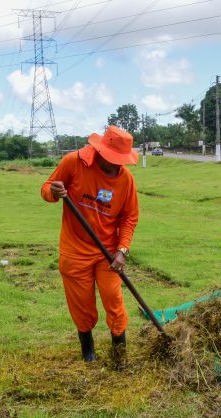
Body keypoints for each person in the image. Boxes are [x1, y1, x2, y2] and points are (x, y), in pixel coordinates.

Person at [40, 126, 139, 369]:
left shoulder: (126, 179)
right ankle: (88, 352)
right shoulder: (73, 163)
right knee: (82, 306)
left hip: (107, 253)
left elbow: (129, 218)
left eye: (121, 161)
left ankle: (120, 355)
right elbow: (46, 189)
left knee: (114, 301)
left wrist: (122, 250)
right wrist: (53, 191)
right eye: (113, 160)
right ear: (100, 151)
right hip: (74, 252)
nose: (117, 166)